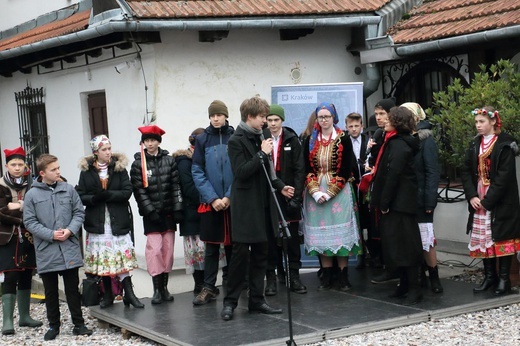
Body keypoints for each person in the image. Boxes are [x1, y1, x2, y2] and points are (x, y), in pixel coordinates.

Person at [221, 96, 292, 321]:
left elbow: (268, 171)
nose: (265, 121)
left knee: (262, 253)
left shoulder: (260, 136)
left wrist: (280, 186)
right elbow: (241, 172)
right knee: (240, 256)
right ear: (250, 117)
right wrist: (262, 153)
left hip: (264, 203)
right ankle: (230, 302)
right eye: (262, 117)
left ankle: (257, 300)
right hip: (245, 207)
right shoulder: (236, 140)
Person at [23, 154, 93, 340]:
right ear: (42, 173)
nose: (58, 172)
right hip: (47, 250)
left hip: (68, 247)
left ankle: (79, 324)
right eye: (54, 169)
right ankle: (54, 326)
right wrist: (51, 234)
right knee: (51, 291)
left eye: (58, 168)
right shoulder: (31, 195)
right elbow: (29, 221)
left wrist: (70, 230)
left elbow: (79, 213)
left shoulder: (68, 189)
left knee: (72, 289)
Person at [76, 135, 144, 309]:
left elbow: (127, 191)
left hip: (117, 218)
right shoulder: (86, 171)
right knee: (104, 258)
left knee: (119, 256)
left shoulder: (119, 169)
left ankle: (129, 293)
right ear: (96, 152)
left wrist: (110, 195)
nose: (108, 152)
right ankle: (107, 294)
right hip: (97, 221)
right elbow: (81, 195)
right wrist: (95, 198)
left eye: (109, 148)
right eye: (104, 149)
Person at [460, 106, 520, 296]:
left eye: (482, 122)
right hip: (478, 195)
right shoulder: (474, 144)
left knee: (501, 236)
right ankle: (489, 277)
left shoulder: (505, 144)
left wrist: (487, 201)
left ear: (493, 122)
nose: (478, 125)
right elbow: (465, 170)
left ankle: (504, 279)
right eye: (476, 122)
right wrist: (472, 196)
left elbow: (504, 177)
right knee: (483, 237)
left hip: (500, 199)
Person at [302, 102, 361, 291]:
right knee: (323, 236)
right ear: (317, 119)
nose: (324, 120)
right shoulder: (310, 139)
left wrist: (330, 193)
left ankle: (343, 276)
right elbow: (306, 168)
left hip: (339, 191)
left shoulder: (343, 138)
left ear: (333, 117)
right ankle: (327, 275)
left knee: (340, 236)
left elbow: (347, 167)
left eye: (327, 116)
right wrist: (316, 191)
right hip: (315, 193)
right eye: (321, 117)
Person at [370, 106, 423, 305]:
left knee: (407, 246)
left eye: (389, 119)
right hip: (396, 202)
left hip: (400, 203)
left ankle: (415, 288)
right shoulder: (392, 141)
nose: (384, 121)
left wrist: (384, 202)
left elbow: (394, 174)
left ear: (398, 122)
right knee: (396, 246)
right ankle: (403, 284)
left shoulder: (400, 144)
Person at [130, 125, 183, 304]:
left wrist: (177, 208)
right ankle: (156, 289)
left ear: (158, 141)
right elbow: (139, 191)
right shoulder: (138, 164)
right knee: (154, 250)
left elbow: (176, 186)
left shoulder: (169, 161)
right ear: (143, 142)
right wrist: (149, 210)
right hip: (151, 214)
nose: (150, 143)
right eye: (147, 140)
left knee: (167, 250)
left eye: (153, 140)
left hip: (168, 212)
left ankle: (165, 288)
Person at [191, 100, 234, 305]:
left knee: (235, 246)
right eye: (212, 115)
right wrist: (213, 198)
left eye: (219, 115)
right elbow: (197, 170)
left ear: (226, 116)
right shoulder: (202, 140)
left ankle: (236, 284)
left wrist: (229, 196)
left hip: (232, 201)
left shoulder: (235, 137)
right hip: (211, 202)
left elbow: (239, 169)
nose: (216, 118)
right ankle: (209, 287)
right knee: (211, 247)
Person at [264, 104, 307, 295]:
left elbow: (300, 169)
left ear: (282, 121)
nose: (273, 124)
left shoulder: (292, 139)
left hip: (290, 195)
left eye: (276, 120)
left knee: (292, 241)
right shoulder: (261, 139)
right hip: (270, 195)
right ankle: (272, 279)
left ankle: (294, 277)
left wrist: (296, 197)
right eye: (270, 120)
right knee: (271, 241)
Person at [401, 102, 443, 293]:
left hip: (421, 199)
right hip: (406, 199)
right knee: (409, 240)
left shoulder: (426, 140)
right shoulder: (401, 138)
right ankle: (418, 276)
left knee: (426, 240)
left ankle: (434, 277)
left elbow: (432, 172)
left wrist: (430, 201)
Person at [0, 147, 42, 335]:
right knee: (10, 276)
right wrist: (22, 215)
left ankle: (24, 317)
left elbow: (37, 208)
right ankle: (8, 321)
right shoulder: (0, 185)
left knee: (26, 274)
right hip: (7, 237)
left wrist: (18, 205)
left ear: (25, 165)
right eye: (13, 164)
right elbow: (1, 212)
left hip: (29, 235)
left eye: (20, 164)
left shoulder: (32, 184)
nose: (17, 168)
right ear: (6, 165)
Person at [367, 97, 399, 278]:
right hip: (378, 189)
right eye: (376, 114)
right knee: (380, 230)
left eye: (382, 114)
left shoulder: (396, 138)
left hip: (392, 193)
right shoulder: (379, 135)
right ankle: (387, 264)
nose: (378, 118)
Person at [173, 128, 206, 296]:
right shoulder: (184, 161)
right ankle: (199, 285)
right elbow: (189, 188)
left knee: (208, 251)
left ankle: (208, 285)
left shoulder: (205, 158)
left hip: (206, 210)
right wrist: (209, 197)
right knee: (197, 252)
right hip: (192, 213)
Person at [345, 112, 370, 270]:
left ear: (362, 126)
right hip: (352, 186)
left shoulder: (369, 141)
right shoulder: (344, 142)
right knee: (357, 221)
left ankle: (374, 254)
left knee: (370, 221)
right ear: (346, 127)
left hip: (368, 186)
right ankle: (361, 254)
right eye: (351, 126)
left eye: (357, 126)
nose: (354, 129)